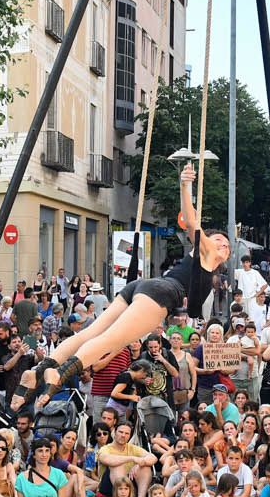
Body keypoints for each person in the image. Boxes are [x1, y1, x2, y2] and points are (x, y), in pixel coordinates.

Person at [22, 164, 229, 404]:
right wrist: (185, 185)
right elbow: (192, 222)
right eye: (218, 240)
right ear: (207, 244)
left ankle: (40, 370)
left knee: (93, 331)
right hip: (162, 293)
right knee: (111, 340)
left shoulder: (206, 264)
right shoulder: (209, 254)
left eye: (226, 244)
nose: (222, 245)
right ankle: (58, 374)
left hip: (142, 287)